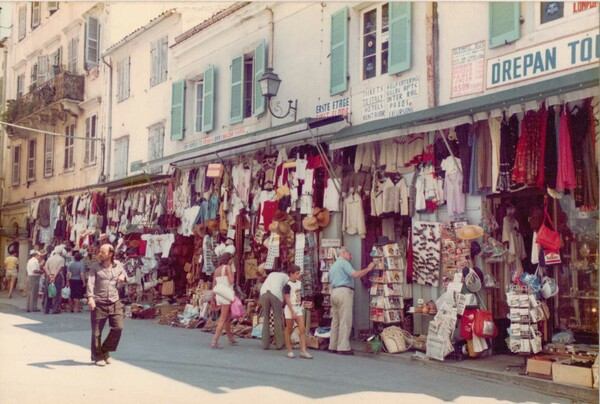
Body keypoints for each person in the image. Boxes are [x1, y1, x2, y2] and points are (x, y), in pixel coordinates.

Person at [328, 246, 374, 355]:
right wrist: (368, 269)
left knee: (336, 321)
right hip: (344, 292)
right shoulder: (344, 263)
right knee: (345, 320)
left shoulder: (333, 266)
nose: (350, 256)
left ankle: (333, 345)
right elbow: (355, 274)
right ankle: (343, 347)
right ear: (343, 254)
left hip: (334, 292)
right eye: (349, 254)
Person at [87, 243, 127, 366]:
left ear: (110, 254)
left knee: (118, 327)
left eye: (103, 252)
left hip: (114, 301)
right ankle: (97, 355)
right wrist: (90, 298)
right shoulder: (95, 267)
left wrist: (122, 276)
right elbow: (90, 283)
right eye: (100, 251)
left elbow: (125, 274)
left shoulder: (118, 265)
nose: (100, 254)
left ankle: (105, 350)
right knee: (97, 332)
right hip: (99, 302)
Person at [210, 251, 238, 349]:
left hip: (219, 295)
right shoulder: (228, 268)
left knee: (227, 318)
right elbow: (231, 281)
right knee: (223, 318)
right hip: (226, 295)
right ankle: (214, 341)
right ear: (228, 259)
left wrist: (212, 299)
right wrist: (232, 274)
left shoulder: (217, 270)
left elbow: (214, 285)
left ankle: (230, 338)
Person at [283, 265, 312, 359]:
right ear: (291, 274)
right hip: (290, 308)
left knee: (302, 329)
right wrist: (292, 311)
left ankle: (303, 350)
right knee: (289, 329)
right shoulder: (287, 285)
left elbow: (300, 295)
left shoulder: (299, 283)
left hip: (298, 307)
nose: (298, 275)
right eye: (297, 273)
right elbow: (287, 299)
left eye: (299, 273)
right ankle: (289, 350)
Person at [259, 269, 290, 350]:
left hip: (263, 292)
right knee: (277, 318)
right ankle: (279, 344)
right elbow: (286, 292)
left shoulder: (272, 274)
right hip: (276, 293)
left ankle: (265, 344)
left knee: (266, 317)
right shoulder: (287, 277)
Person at [43, 246, 67, 314]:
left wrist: (50, 276)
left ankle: (46, 309)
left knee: (48, 292)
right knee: (57, 293)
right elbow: (60, 268)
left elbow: (45, 268)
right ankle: (55, 309)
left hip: (49, 276)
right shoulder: (61, 259)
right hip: (57, 277)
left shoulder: (50, 258)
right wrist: (54, 277)